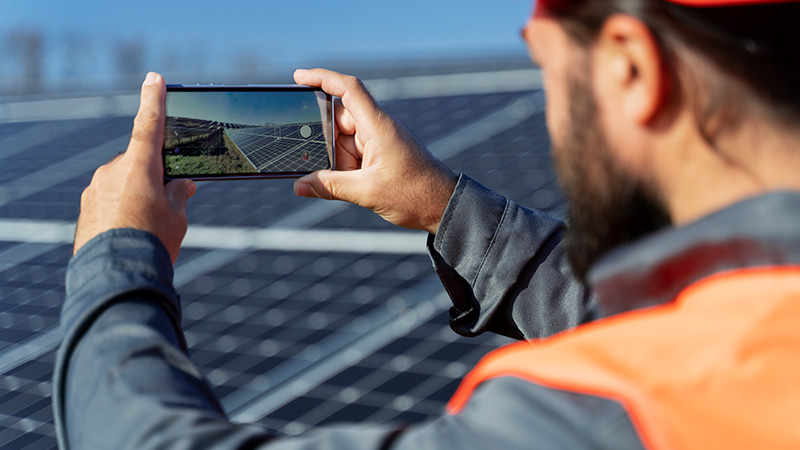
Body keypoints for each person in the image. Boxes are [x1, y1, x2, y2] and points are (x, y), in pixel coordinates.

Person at [54, 0, 800, 448]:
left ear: (630, 68)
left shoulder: (609, 413)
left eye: (546, 66)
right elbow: (672, 328)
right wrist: (443, 205)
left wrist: (116, 256)